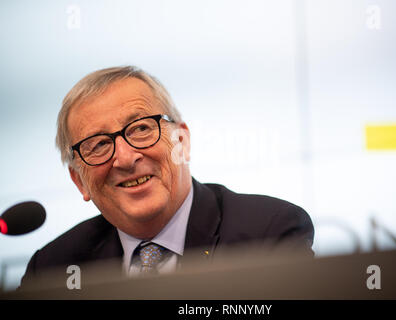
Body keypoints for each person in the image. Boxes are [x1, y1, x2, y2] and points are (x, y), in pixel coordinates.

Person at [19, 66, 314, 290]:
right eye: (98, 145)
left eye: (141, 129)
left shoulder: (268, 234)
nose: (124, 157)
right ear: (79, 181)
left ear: (182, 142)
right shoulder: (52, 270)